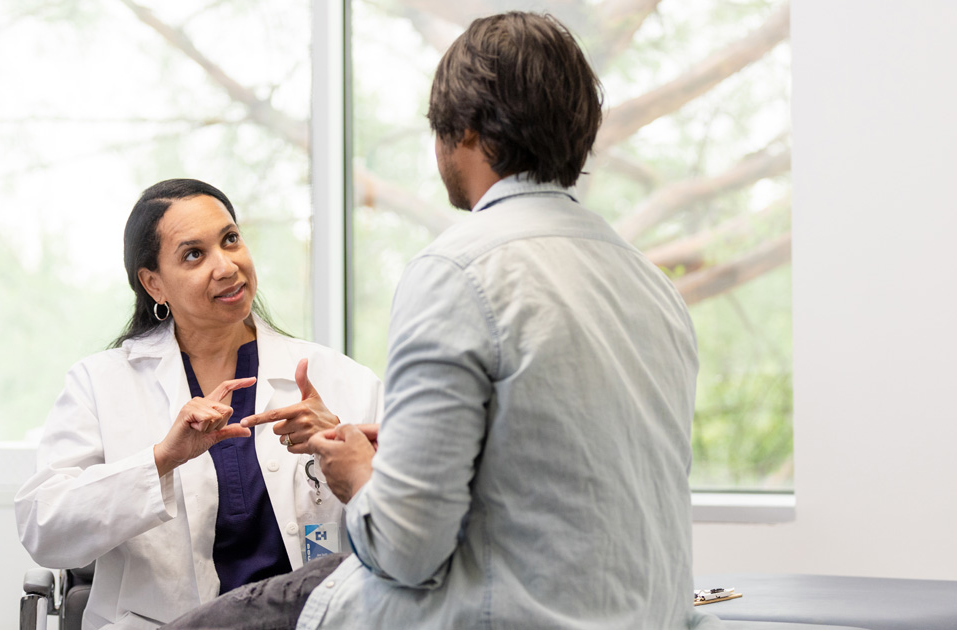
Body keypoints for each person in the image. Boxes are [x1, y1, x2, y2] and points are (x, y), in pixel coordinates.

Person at [166, 11, 720, 630]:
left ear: (466, 131)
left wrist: (360, 479)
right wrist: (407, 455)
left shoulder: (458, 271)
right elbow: (569, 474)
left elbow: (405, 550)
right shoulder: (650, 284)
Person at [14, 179, 384, 630]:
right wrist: (160, 460)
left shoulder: (337, 378)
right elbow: (44, 528)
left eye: (231, 239)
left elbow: (412, 520)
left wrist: (347, 446)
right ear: (154, 284)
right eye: (194, 254)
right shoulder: (101, 383)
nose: (226, 266)